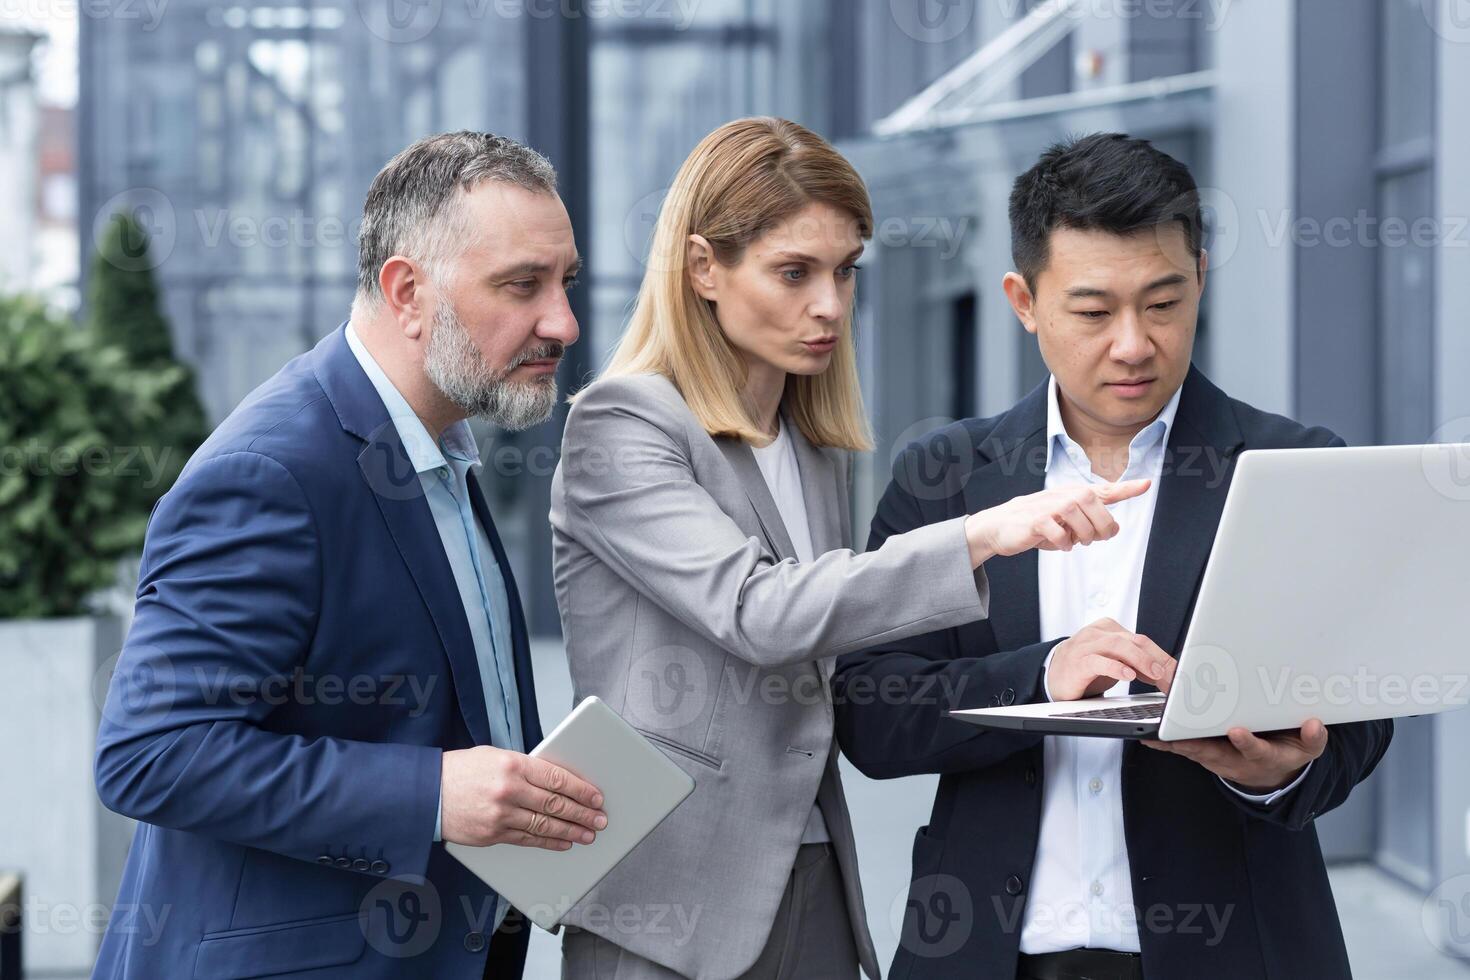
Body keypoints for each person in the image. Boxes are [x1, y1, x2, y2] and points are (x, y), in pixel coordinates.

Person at [549, 117, 1150, 980]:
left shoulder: (811, 445)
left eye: (844, 271)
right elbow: (758, 611)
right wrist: (986, 533)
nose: (829, 304)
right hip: (669, 903)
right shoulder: (624, 424)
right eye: (793, 272)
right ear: (702, 268)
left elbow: (850, 649)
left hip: (812, 869)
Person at [833, 133, 1393, 980]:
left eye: (1163, 303)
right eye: (1094, 312)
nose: (1133, 344)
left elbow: (1360, 720)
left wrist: (1280, 772)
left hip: (1236, 952)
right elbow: (871, 715)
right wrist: (1043, 677)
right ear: (1024, 300)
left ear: (1200, 276)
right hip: (989, 954)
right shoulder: (945, 476)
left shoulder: (1293, 468)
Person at [93, 131, 605, 979]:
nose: (563, 322)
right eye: (523, 285)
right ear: (408, 292)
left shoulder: (439, 450)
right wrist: (435, 796)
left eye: (565, 283)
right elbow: (149, 754)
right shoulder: (272, 472)